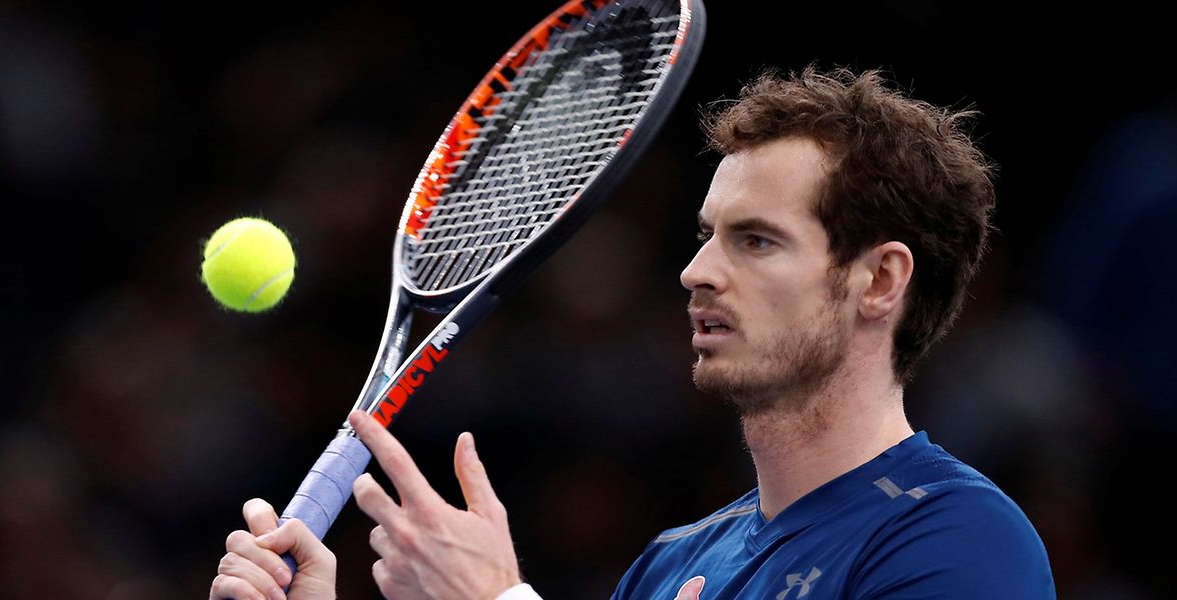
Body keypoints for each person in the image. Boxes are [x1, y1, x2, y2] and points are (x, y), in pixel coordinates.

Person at [207, 67, 1055, 600]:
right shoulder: (667, 566)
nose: (696, 272)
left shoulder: (960, 540)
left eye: (757, 240)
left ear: (880, 280)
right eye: (706, 235)